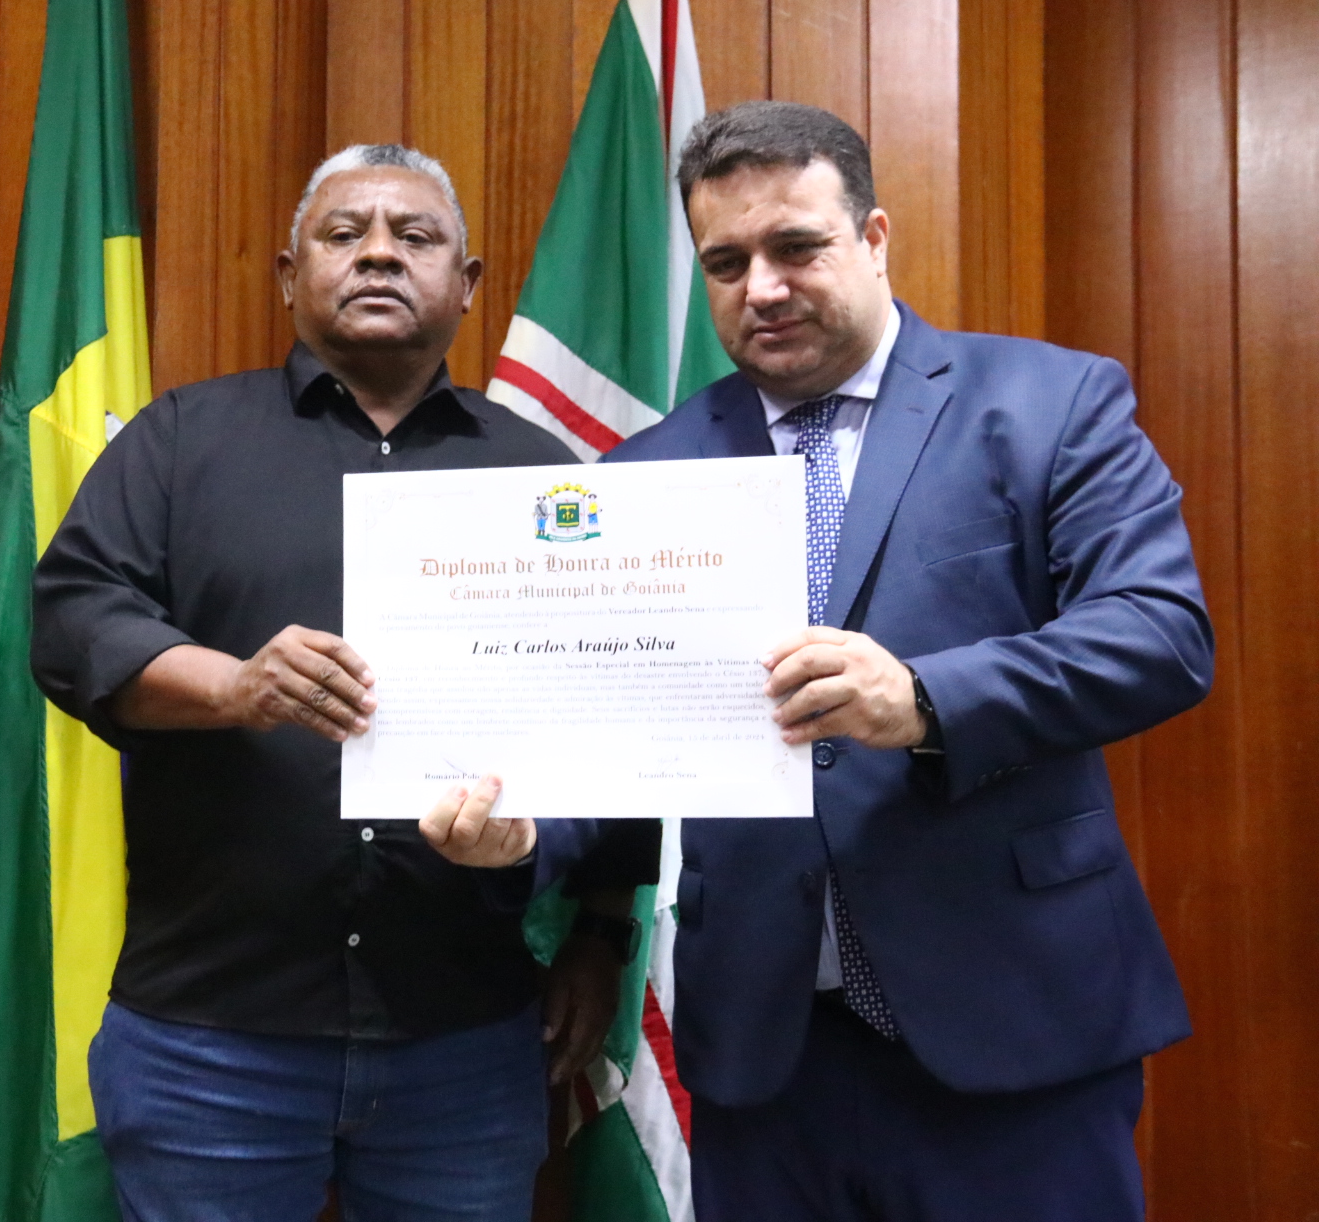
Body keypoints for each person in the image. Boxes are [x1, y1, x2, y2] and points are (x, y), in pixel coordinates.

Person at [423, 101, 1213, 1221]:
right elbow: (623, 746)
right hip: (768, 1056)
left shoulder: (1049, 402)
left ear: (874, 238)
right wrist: (528, 836)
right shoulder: (645, 476)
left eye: (797, 247)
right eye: (726, 262)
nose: (763, 287)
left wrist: (924, 697)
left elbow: (1158, 634)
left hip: (1015, 1021)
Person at [30, 143, 659, 1222]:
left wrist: (600, 938)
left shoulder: (544, 478)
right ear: (290, 275)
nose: (378, 253)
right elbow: (74, 620)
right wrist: (232, 687)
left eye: (414, 237)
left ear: (467, 283)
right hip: (211, 1034)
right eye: (343, 233)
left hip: (463, 1038)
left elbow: (613, 717)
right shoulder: (181, 441)